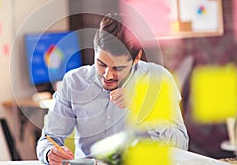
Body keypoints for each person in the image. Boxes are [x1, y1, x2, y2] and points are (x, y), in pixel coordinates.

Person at [36, 14, 189, 164]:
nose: (108, 75)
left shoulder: (157, 79)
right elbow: (48, 139)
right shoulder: (74, 82)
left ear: (137, 58)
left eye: (118, 68)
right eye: (101, 64)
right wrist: (50, 152)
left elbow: (180, 145)